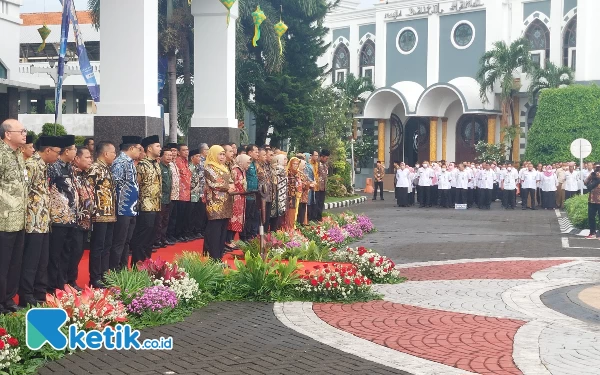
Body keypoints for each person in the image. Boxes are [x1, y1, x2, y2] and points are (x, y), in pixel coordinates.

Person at [18, 136, 61, 307]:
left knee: (43, 260)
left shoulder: (44, 166)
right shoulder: (31, 165)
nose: (58, 156)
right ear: (48, 150)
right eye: (57, 152)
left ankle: (39, 292)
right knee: (31, 261)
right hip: (32, 222)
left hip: (43, 222)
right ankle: (26, 294)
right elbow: (24, 192)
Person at [0, 119, 27, 314]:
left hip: (20, 219)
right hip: (5, 218)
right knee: (3, 262)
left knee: (15, 262)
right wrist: (11, 203)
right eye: (21, 131)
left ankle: (9, 299)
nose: (24, 134)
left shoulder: (18, 154)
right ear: (8, 134)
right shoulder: (1, 154)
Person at [47, 135, 78, 294]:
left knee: (66, 252)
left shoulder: (69, 167)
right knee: (55, 253)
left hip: (70, 217)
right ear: (66, 151)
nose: (76, 152)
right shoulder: (54, 166)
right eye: (74, 149)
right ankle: (51, 285)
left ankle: (62, 282)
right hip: (58, 217)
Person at [87, 141, 117, 288]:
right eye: (113, 153)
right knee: (98, 247)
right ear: (105, 153)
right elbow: (88, 190)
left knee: (107, 246)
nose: (115, 156)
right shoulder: (94, 168)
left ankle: (104, 274)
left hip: (110, 213)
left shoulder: (107, 168)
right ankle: (95, 277)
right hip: (98, 214)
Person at [110, 136, 142, 271]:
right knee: (119, 241)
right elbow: (114, 184)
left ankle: (123, 268)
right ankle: (115, 269)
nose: (140, 152)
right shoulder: (120, 163)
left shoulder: (130, 162)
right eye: (138, 149)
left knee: (127, 241)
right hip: (122, 209)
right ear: (131, 148)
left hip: (131, 209)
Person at [130, 136, 162, 266]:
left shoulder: (156, 164)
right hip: (145, 207)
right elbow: (136, 185)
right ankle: (138, 265)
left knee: (151, 238)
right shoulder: (142, 165)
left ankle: (147, 265)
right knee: (142, 238)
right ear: (149, 148)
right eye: (158, 146)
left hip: (156, 206)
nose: (160, 149)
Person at [68, 146, 95, 291]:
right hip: (75, 222)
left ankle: (71, 280)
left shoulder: (85, 174)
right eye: (87, 157)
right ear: (77, 159)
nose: (91, 160)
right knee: (73, 252)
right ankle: (68, 281)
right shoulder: (71, 174)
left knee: (78, 252)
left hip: (85, 221)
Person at [203, 145, 235, 259]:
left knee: (222, 231)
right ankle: (213, 257)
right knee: (215, 232)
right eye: (219, 154)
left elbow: (231, 181)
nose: (222, 157)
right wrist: (228, 187)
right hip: (215, 204)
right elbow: (214, 183)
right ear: (213, 154)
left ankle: (219, 256)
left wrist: (231, 186)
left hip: (226, 203)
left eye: (223, 154)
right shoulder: (209, 167)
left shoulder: (224, 167)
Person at [226, 154, 250, 247]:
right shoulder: (235, 170)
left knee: (238, 220)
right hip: (235, 198)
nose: (248, 165)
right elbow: (231, 184)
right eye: (247, 163)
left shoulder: (242, 170)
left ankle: (231, 239)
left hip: (241, 198)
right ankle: (228, 240)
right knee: (233, 219)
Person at [154, 149, 173, 248]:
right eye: (167, 155)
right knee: (159, 220)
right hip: (161, 198)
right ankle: (157, 240)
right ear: (161, 156)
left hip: (168, 198)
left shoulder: (168, 167)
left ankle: (163, 238)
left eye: (171, 155)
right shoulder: (159, 167)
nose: (170, 157)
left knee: (165, 220)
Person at [174, 144, 192, 242]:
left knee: (186, 216)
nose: (186, 152)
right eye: (184, 150)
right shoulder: (177, 161)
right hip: (180, 194)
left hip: (188, 193)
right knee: (179, 217)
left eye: (187, 150)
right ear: (178, 152)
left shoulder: (186, 162)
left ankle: (183, 234)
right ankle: (177, 234)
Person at [242, 145, 260, 241]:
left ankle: (250, 235)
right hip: (247, 194)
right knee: (246, 216)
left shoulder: (254, 164)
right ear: (249, 153)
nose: (258, 154)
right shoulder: (247, 164)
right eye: (256, 152)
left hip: (254, 194)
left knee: (252, 216)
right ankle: (244, 236)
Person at [165, 143, 180, 244]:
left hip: (176, 195)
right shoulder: (167, 165)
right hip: (168, 196)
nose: (173, 154)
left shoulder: (174, 163)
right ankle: (164, 237)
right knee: (167, 218)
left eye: (175, 151)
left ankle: (170, 235)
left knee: (173, 217)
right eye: (171, 152)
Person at [285, 157, 302, 229]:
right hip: (289, 196)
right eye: (294, 164)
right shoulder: (288, 172)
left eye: (297, 164)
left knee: (294, 213)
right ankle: (288, 229)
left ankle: (292, 228)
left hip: (295, 195)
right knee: (289, 214)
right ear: (291, 164)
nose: (295, 165)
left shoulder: (297, 173)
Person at [585, 163, 600, 239]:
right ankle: (592, 232)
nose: (597, 170)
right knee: (591, 217)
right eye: (596, 168)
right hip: (592, 199)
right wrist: (591, 176)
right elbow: (585, 183)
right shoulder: (592, 176)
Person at [314, 150, 330, 221]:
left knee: (321, 203)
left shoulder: (325, 165)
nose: (327, 160)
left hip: (323, 187)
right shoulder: (316, 164)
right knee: (316, 203)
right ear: (321, 157)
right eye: (326, 158)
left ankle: (319, 217)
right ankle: (315, 217)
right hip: (317, 187)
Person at [297, 158, 314, 225]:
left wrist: (310, 184)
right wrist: (309, 185)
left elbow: (308, 181)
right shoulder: (298, 173)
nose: (304, 167)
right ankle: (299, 224)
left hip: (304, 196)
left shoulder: (302, 173)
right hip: (300, 196)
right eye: (303, 165)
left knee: (303, 211)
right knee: (300, 211)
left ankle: (301, 224)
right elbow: (301, 184)